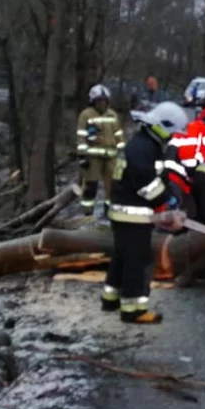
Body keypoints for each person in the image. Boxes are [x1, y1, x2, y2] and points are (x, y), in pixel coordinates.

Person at [103, 101, 189, 324]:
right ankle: (133, 309)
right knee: (138, 260)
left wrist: (171, 194)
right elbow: (147, 186)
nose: (173, 137)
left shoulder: (145, 144)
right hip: (133, 214)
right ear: (163, 126)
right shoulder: (143, 149)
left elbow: (159, 176)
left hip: (125, 212)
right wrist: (165, 202)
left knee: (122, 256)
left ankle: (110, 298)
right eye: (172, 133)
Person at [76, 84, 124, 215]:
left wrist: (122, 152)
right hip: (93, 158)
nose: (102, 103)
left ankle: (109, 211)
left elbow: (118, 134)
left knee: (113, 185)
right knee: (90, 185)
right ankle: (87, 212)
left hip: (111, 156)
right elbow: (81, 136)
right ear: (93, 101)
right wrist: (82, 156)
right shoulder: (86, 115)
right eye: (99, 101)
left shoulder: (112, 115)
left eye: (104, 100)